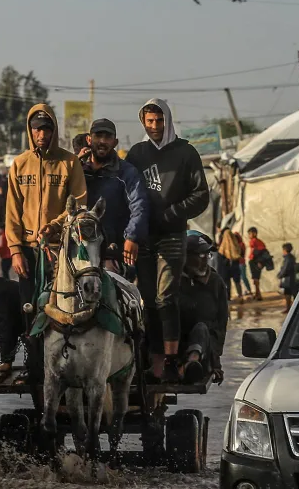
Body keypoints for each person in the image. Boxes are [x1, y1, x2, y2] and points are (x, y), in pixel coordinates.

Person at [125, 98, 210, 381]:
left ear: (168, 120)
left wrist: (172, 213)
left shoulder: (186, 153)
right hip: (144, 238)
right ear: (143, 123)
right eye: (149, 122)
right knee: (147, 300)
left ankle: (172, 359)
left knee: (166, 297)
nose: (154, 127)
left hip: (173, 235)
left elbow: (201, 195)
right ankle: (154, 360)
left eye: (159, 121)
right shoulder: (137, 154)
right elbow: (123, 188)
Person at [4, 103, 88, 309]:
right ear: (30, 130)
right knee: (29, 307)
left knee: (62, 308)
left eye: (46, 129)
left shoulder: (69, 162)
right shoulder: (19, 164)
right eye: (37, 129)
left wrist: (54, 226)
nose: (41, 134)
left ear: (54, 130)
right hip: (28, 249)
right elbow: (12, 211)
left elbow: (79, 202)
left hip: (60, 249)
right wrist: (15, 251)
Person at [81, 117, 148, 275]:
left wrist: (132, 237)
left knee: (110, 291)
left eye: (108, 137)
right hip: (80, 248)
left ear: (115, 142)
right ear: (89, 139)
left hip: (112, 251)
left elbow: (139, 206)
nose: (102, 141)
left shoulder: (126, 173)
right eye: (98, 136)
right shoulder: (77, 170)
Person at [175, 233, 229, 385]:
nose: (205, 259)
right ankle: (183, 364)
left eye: (207, 254)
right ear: (186, 257)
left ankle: (192, 362)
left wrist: (216, 362)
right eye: (200, 255)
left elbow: (221, 323)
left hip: (205, 348)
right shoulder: (175, 281)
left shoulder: (216, 282)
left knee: (201, 328)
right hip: (178, 344)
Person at [217, 225, 248, 298]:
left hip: (227, 267)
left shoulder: (222, 247)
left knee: (228, 282)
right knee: (236, 282)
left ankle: (228, 297)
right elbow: (240, 254)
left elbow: (220, 258)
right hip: (234, 266)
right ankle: (240, 296)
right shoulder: (236, 245)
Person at [246, 227, 272, 298]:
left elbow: (258, 253)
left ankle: (258, 294)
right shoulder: (260, 242)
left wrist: (259, 262)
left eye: (250, 234)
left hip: (255, 261)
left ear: (254, 233)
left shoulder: (254, 241)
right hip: (257, 262)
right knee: (256, 278)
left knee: (255, 278)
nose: (249, 235)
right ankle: (257, 293)